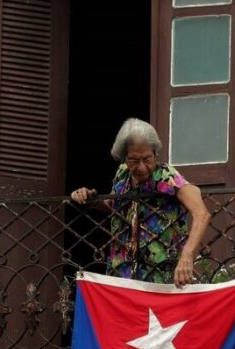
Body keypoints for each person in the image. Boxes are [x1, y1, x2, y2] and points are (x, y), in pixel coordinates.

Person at [70, 118, 210, 288]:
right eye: (134, 161)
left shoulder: (166, 176)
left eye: (147, 159)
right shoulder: (122, 174)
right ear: (124, 158)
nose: (142, 167)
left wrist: (187, 256)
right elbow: (116, 205)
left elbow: (201, 214)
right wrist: (91, 199)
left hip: (159, 273)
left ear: (155, 154)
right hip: (123, 272)